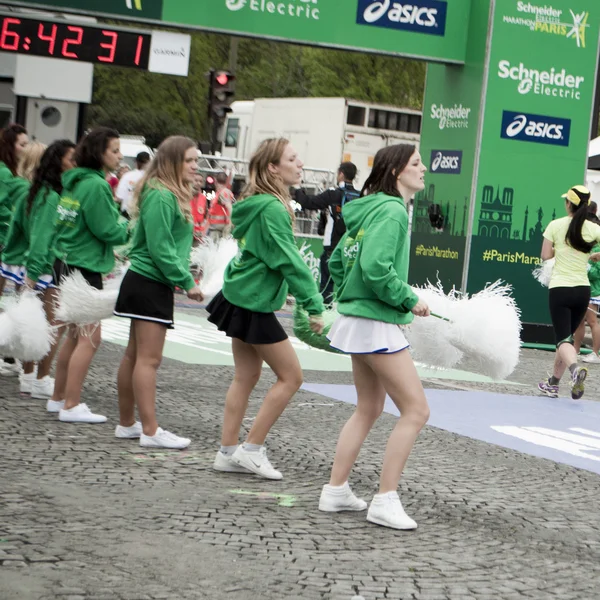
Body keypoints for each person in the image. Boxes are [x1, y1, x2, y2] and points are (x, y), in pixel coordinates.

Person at [319, 144, 431, 531]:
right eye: (416, 163)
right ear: (397, 170)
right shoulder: (393, 211)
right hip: (377, 323)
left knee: (367, 408)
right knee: (416, 411)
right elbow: (374, 267)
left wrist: (354, 295)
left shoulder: (369, 208)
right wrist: (408, 298)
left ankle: (335, 490)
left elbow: (338, 260)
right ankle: (385, 499)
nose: (424, 169)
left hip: (358, 320)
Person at [207, 138, 325, 480]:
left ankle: (228, 451)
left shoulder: (257, 203)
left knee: (246, 376)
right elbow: (288, 259)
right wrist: (313, 305)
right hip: (252, 301)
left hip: (243, 295)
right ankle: (251, 449)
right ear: (273, 167)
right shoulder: (273, 208)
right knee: (291, 377)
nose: (300, 163)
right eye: (292, 158)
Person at [114, 136, 204, 449]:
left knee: (136, 356)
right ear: (171, 161)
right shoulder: (162, 195)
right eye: (190, 160)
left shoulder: (162, 192)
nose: (195, 166)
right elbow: (161, 247)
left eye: (196, 160)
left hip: (147, 280)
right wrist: (187, 281)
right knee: (148, 360)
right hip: (150, 281)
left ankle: (128, 423)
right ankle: (150, 431)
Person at [50, 127, 129, 423]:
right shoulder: (95, 185)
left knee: (73, 335)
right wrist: (131, 228)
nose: (120, 157)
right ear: (99, 153)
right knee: (89, 337)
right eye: (115, 151)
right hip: (84, 266)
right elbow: (107, 228)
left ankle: (59, 398)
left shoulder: (74, 181)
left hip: (67, 262)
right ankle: (71, 404)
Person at [22, 140, 77, 405]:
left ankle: (32, 375)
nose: (75, 163)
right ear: (58, 162)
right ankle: (38, 378)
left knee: (44, 324)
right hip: (47, 267)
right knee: (51, 325)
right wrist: (32, 275)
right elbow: (42, 236)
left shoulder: (47, 191)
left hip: (46, 265)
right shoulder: (52, 195)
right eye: (71, 159)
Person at [538, 185, 600, 400]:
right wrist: (596, 255)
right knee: (567, 339)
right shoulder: (592, 228)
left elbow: (545, 255)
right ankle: (553, 384)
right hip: (582, 291)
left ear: (568, 204)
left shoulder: (555, 225)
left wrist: (560, 248)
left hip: (560, 289)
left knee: (562, 340)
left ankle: (575, 372)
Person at [0, 141, 47, 392]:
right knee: (29, 315)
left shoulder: (21, 187)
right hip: (27, 257)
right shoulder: (33, 191)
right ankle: (27, 370)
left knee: (22, 310)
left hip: (16, 254)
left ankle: (20, 362)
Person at [294, 162, 359, 304]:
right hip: (352, 249)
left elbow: (308, 203)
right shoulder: (360, 197)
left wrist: (298, 187)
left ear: (341, 174)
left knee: (326, 287)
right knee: (348, 287)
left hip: (332, 248)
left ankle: (325, 317)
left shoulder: (333, 194)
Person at [0, 123, 29, 377]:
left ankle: (11, 355)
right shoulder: (7, 175)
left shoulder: (10, 173)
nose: (25, 148)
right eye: (22, 144)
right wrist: (13, 226)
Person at [573, 201, 600, 364]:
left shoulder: (597, 248)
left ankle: (595, 353)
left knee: (591, 320)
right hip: (582, 287)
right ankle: (575, 349)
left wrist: (585, 268)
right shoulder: (588, 246)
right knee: (579, 320)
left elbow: (597, 273)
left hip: (594, 290)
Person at [116, 151, 151, 219]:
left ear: (136, 162)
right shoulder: (151, 178)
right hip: (145, 214)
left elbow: (119, 197)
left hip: (127, 214)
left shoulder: (127, 176)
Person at [208, 171, 233, 241]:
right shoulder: (221, 192)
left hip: (219, 229)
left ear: (215, 181)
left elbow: (229, 208)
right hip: (217, 228)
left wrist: (229, 224)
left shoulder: (223, 192)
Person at [190, 172, 209, 242]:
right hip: (187, 233)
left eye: (200, 181)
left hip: (199, 235)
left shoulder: (203, 198)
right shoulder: (186, 195)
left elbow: (206, 216)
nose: (198, 183)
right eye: (196, 180)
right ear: (191, 180)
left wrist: (203, 231)